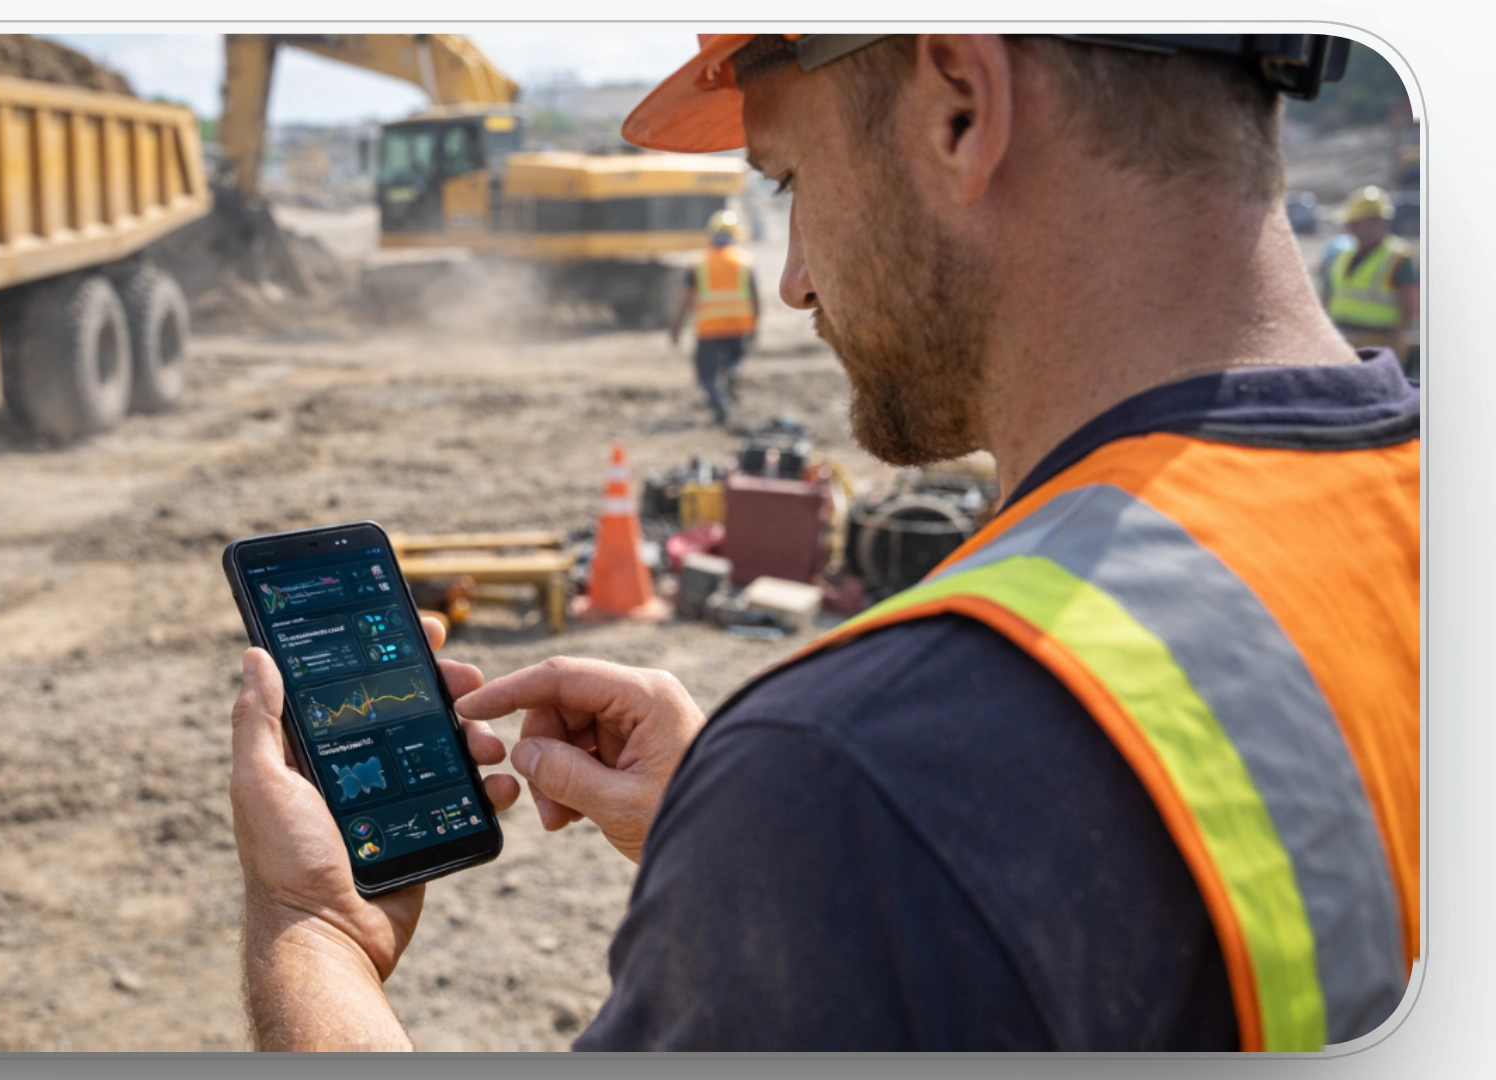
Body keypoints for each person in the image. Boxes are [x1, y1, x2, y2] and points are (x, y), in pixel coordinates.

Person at [228, 34, 1418, 1051]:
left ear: (962, 105)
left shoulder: (861, 770)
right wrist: (779, 857)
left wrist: (313, 932)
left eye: (790, 177)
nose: (791, 280)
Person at [669, 209, 761, 424]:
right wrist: (755, 325)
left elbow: (684, 300)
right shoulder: (745, 261)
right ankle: (732, 378)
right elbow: (755, 297)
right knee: (732, 363)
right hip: (739, 324)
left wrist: (676, 328)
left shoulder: (699, 262)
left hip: (710, 327)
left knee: (706, 374)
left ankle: (721, 408)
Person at [1320, 185, 1420, 379]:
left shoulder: (1397, 257)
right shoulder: (1341, 255)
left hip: (1379, 345)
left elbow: (1410, 309)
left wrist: (1396, 352)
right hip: (1342, 343)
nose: (1350, 229)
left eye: (1355, 224)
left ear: (1376, 222)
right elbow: (1327, 297)